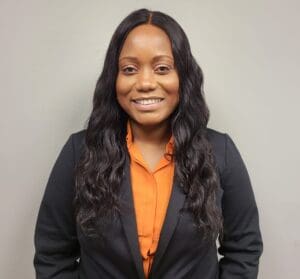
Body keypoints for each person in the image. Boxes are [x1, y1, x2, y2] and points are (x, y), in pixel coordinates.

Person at [33, 8, 263, 279]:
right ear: (114, 79)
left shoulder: (220, 153)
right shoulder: (79, 153)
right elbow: (52, 254)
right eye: (129, 69)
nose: (144, 82)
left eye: (162, 68)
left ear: (183, 77)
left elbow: (244, 249)